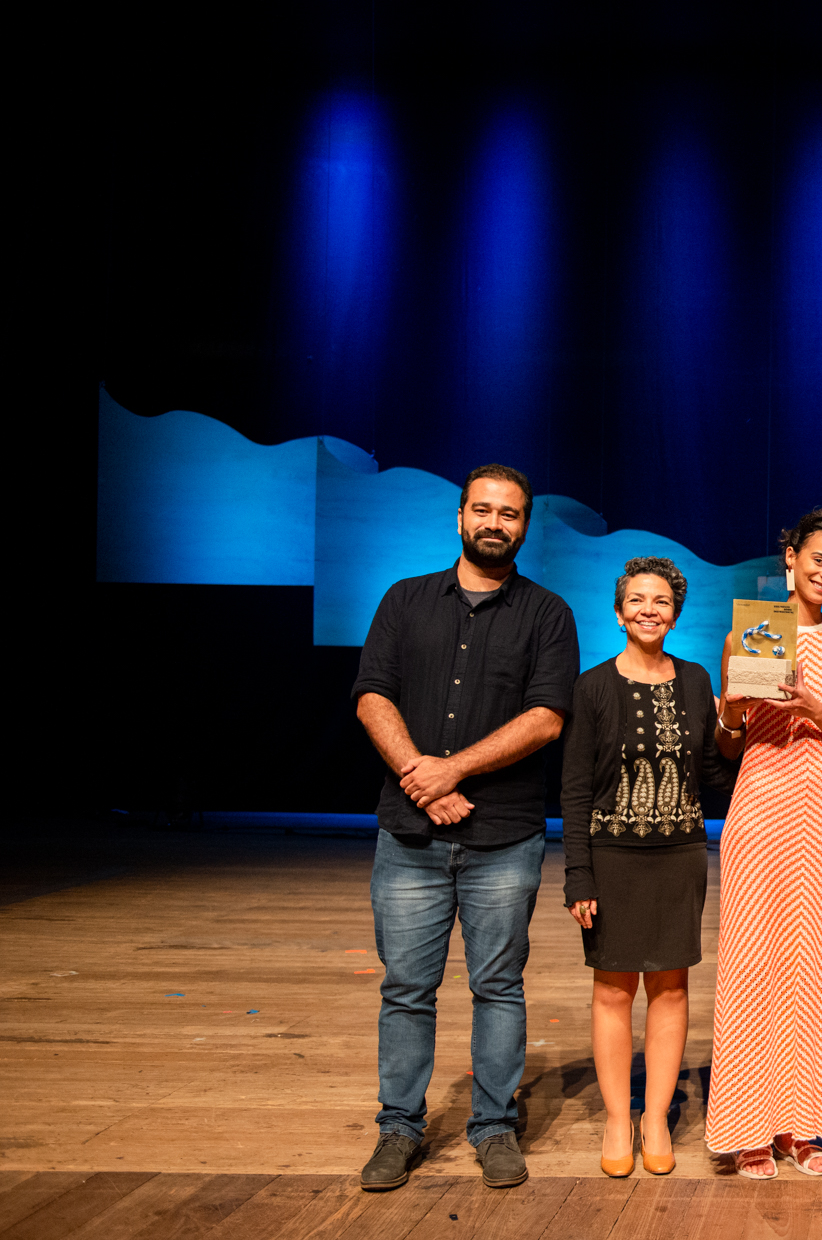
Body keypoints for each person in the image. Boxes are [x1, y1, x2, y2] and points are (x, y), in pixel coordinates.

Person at [351, 463, 580, 1192]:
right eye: (482, 509)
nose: (494, 523)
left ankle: (493, 1126)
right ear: (459, 517)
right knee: (406, 988)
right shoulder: (404, 599)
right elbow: (372, 696)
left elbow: (547, 718)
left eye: (509, 513)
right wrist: (421, 777)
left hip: (503, 838)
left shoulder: (548, 613)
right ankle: (399, 1127)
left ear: (525, 525)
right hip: (410, 836)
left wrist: (450, 772)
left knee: (498, 987)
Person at [704, 508, 822, 1180]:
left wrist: (816, 710)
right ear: (791, 556)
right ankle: (750, 1125)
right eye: (818, 559)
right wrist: (732, 707)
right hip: (760, 808)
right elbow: (728, 744)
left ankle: (807, 1125)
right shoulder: (748, 631)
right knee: (753, 965)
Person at [561, 557, 733, 1178]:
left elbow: (711, 775)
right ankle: (617, 1118)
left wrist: (747, 736)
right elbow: (575, 789)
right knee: (612, 990)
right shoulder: (592, 686)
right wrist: (578, 874)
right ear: (618, 612)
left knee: (670, 987)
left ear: (675, 615)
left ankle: (655, 1117)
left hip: (679, 857)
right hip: (612, 858)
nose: (648, 610)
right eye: (637, 600)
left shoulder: (695, 680)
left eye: (661, 601)